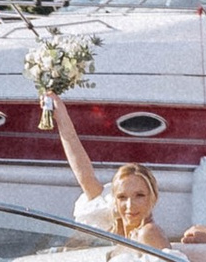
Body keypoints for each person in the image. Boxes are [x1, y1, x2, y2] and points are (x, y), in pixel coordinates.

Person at [49, 98, 162, 247]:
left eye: (139, 195)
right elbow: (84, 174)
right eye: (122, 197)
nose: (130, 205)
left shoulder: (149, 233)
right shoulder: (116, 227)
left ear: (152, 198)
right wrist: (61, 116)